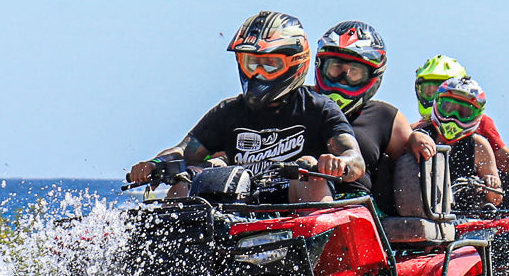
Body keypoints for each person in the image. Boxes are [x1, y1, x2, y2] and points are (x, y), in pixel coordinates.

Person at [127, 11, 365, 201]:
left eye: (270, 64)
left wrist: (339, 163)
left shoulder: (319, 109)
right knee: (185, 180)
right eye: (251, 64)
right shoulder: (228, 112)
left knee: (309, 172)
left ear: (295, 63)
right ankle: (168, 253)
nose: (259, 74)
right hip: (239, 211)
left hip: (298, 212)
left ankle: (322, 260)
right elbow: (184, 151)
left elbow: (355, 159)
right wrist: (155, 164)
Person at [312, 21, 433, 204]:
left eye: (354, 72)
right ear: (321, 66)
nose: (343, 79)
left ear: (373, 75)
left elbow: (409, 153)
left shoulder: (386, 116)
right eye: (336, 68)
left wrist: (416, 138)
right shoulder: (301, 102)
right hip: (291, 210)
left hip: (355, 213)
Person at [412, 55, 509, 174]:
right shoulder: (417, 130)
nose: (453, 113)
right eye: (429, 92)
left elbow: (505, 161)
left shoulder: (483, 124)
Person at [417, 76, 503, 214]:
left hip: (466, 221)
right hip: (423, 216)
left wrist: (491, 184)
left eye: (464, 112)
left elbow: (496, 199)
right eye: (448, 108)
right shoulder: (418, 134)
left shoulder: (479, 145)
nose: (454, 117)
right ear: (437, 105)